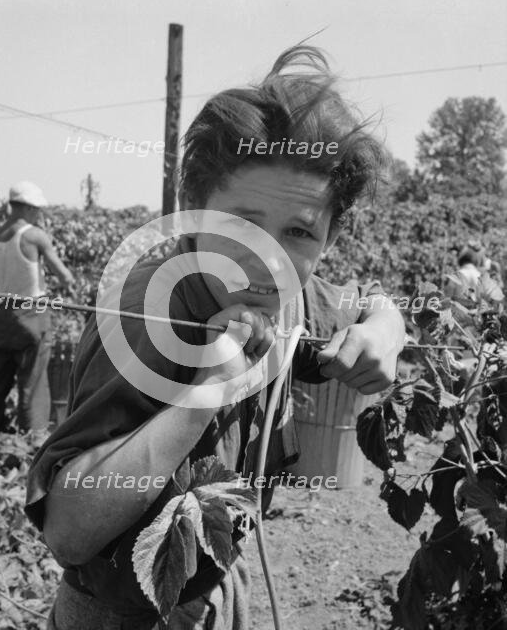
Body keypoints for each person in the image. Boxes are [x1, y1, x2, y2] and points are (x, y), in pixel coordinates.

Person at [25, 44, 406, 629]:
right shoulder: (145, 318)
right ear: (192, 208)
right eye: (242, 224)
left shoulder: (292, 296)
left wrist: (386, 325)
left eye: (300, 232)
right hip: (124, 612)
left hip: (220, 580)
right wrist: (207, 391)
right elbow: (69, 531)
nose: (266, 260)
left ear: (328, 238)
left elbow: (362, 300)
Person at [0, 181, 74, 445]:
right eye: (37, 209)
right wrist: (66, 284)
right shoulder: (34, 235)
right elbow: (64, 276)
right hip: (32, 314)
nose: (39, 214)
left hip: (3, 316)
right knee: (33, 383)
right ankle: (33, 443)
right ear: (28, 208)